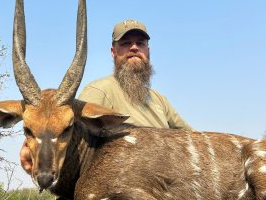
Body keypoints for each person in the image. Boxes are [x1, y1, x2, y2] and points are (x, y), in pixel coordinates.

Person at [20, 19, 192, 173]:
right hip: (130, 179)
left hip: (170, 174)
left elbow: (190, 137)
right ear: (113, 52)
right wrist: (35, 149)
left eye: (140, 43)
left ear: (148, 51)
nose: (134, 48)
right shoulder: (98, 90)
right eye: (125, 43)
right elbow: (72, 135)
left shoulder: (159, 99)